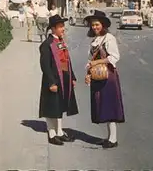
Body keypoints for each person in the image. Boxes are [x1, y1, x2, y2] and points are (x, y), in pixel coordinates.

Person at [84, 10, 125, 149]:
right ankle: (109, 137)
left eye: (97, 24)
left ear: (103, 25)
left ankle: (113, 139)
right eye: (92, 25)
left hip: (108, 76)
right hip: (97, 76)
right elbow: (90, 60)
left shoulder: (109, 38)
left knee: (110, 106)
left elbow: (114, 57)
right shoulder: (95, 40)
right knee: (102, 106)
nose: (94, 27)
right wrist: (88, 74)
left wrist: (96, 63)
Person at [39, 14, 78, 146]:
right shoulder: (47, 44)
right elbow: (45, 65)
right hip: (53, 80)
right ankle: (51, 133)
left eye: (63, 26)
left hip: (64, 79)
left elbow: (68, 61)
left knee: (59, 106)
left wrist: (72, 77)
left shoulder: (61, 42)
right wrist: (51, 82)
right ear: (53, 29)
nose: (63, 29)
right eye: (60, 27)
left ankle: (60, 131)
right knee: (51, 107)